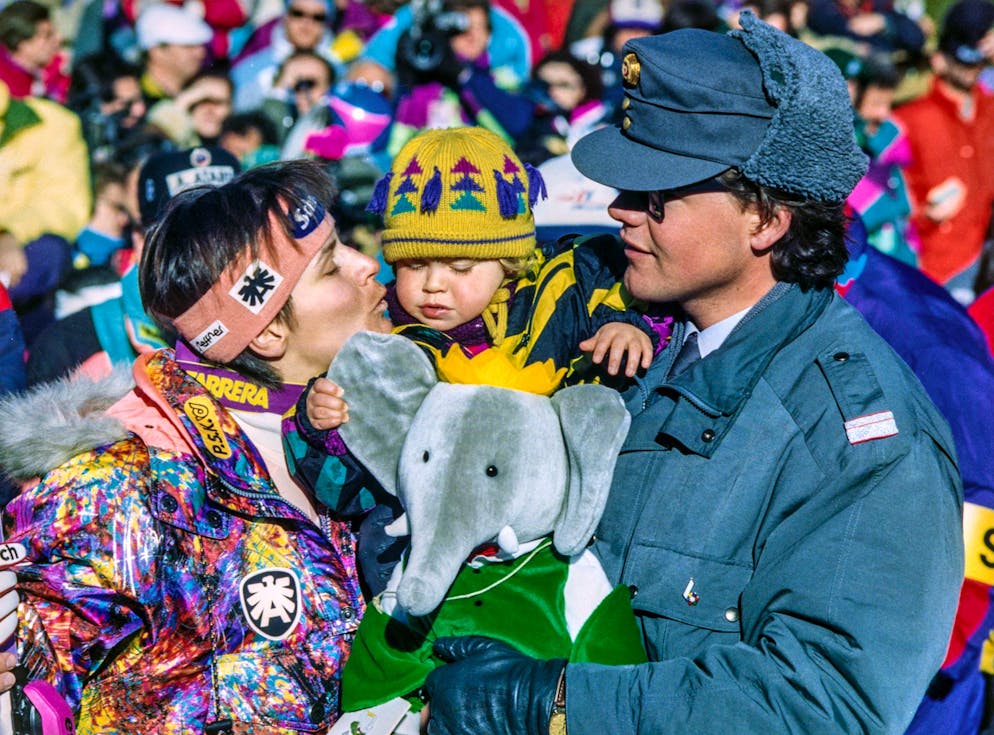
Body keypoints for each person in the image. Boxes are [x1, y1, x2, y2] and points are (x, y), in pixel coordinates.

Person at [418, 15, 963, 735]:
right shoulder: (635, 343)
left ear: (766, 218)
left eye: (656, 196)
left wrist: (549, 703)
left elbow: (826, 707)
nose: (620, 210)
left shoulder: (859, 437)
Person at [0, 159, 392, 732]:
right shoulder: (126, 485)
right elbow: (29, 687)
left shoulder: (379, 423)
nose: (369, 265)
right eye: (332, 266)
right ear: (267, 330)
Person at [893, 0, 994, 304]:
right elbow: (887, 200)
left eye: (978, 61)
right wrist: (925, 215)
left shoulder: (989, 110)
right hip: (935, 271)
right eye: (963, 60)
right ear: (939, 58)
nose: (972, 68)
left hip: (985, 263)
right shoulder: (909, 118)